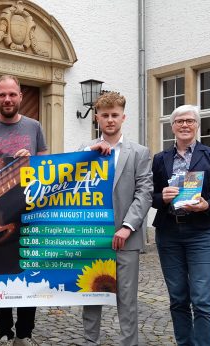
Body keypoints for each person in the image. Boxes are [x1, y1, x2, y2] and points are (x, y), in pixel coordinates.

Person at [0, 75, 48, 346]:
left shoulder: (34, 126)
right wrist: (3, 166)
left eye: (12, 95)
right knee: (1, 271)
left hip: (30, 210)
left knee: (28, 269)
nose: (7, 99)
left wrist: (33, 161)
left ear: (20, 97)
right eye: (2, 95)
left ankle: (25, 333)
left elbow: (47, 165)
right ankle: (5, 331)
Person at [151, 104, 210, 346]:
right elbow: (151, 195)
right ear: (172, 126)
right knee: (177, 298)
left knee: (201, 298)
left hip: (202, 233)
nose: (185, 125)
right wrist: (161, 197)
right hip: (169, 233)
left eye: (190, 121)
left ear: (197, 125)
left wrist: (207, 205)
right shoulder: (160, 159)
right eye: (179, 121)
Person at [79, 92, 153, 346]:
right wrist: (89, 152)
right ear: (97, 118)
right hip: (93, 237)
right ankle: (90, 342)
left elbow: (144, 193)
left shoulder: (139, 152)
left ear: (123, 117)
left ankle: (128, 343)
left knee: (127, 298)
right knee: (91, 295)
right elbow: (66, 178)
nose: (110, 120)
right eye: (105, 115)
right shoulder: (83, 150)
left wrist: (126, 226)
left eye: (115, 115)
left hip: (126, 237)